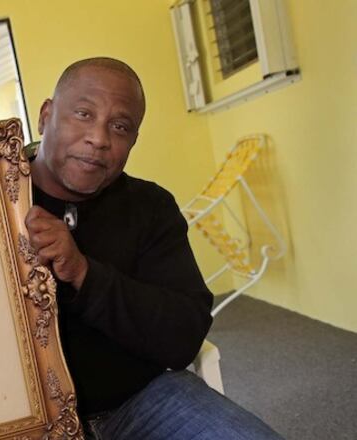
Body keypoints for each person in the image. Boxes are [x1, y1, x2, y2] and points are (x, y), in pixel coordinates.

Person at [25, 57, 282, 439]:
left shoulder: (150, 207)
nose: (99, 138)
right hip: (28, 421)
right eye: (83, 113)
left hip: (139, 401)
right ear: (47, 115)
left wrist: (84, 273)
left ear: (132, 140)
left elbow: (184, 335)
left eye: (120, 126)